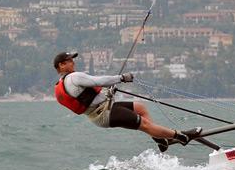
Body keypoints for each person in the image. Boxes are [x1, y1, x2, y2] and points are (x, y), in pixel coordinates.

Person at [53, 51, 200, 152]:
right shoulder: (73, 77)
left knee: (140, 108)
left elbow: (88, 98)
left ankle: (160, 140)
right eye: (69, 60)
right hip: (105, 113)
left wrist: (107, 94)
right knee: (145, 125)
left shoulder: (64, 83)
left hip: (102, 110)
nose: (73, 62)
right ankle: (182, 136)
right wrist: (122, 78)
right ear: (61, 65)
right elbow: (98, 81)